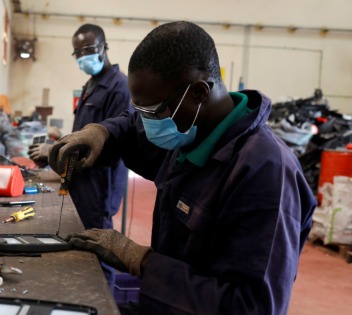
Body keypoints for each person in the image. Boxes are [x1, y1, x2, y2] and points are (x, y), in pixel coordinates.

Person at [50, 21, 316, 314]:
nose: (145, 120)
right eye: (138, 109)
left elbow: (252, 306)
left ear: (199, 93)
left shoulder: (264, 173)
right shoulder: (188, 129)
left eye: (150, 110)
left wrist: (142, 261)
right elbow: (131, 126)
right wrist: (102, 132)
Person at [29, 23, 131, 230]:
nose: (84, 56)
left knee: (98, 238)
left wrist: (55, 150)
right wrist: (55, 150)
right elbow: (82, 133)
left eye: (89, 49)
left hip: (101, 181)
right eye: (78, 52)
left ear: (104, 47)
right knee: (80, 231)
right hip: (82, 177)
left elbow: (111, 145)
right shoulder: (90, 85)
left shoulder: (119, 87)